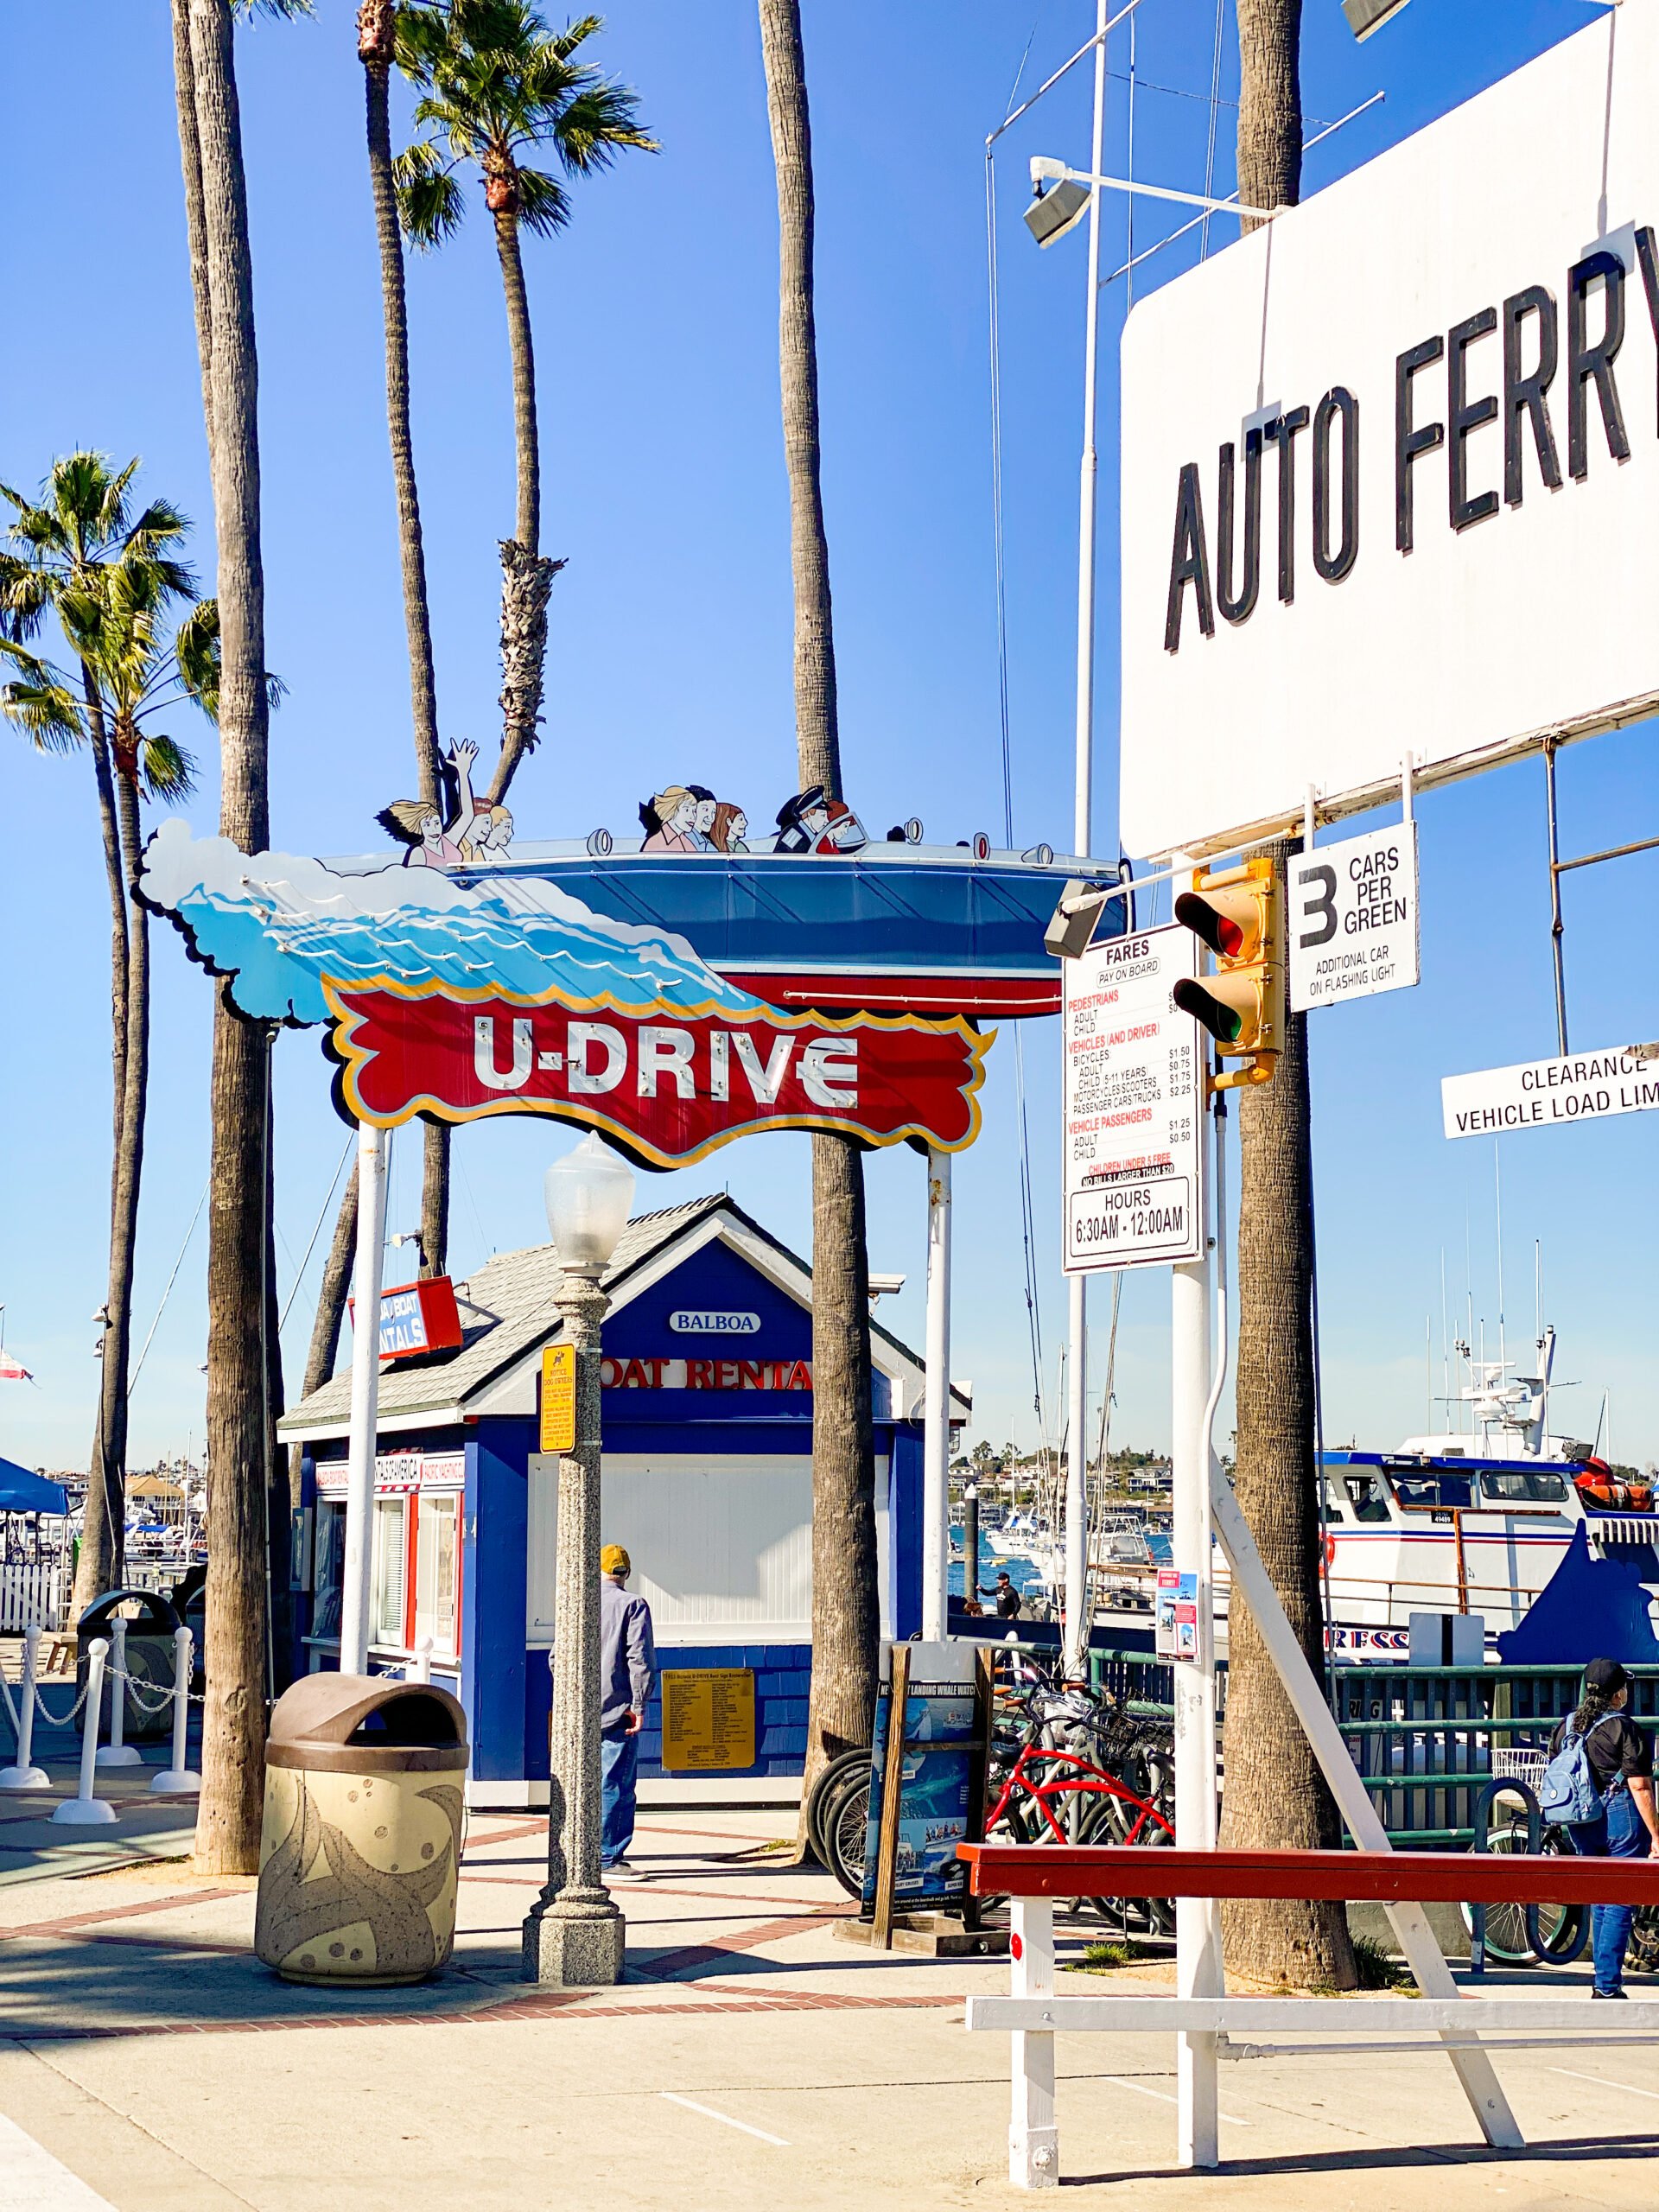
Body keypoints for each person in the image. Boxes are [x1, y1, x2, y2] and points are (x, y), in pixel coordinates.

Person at [1548, 1656, 1659, 1998]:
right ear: (1617, 1694)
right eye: (1623, 1687)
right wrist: (1657, 1834)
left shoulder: (1567, 1726)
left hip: (1580, 1818)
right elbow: (1640, 1786)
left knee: (1600, 1895)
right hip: (1619, 1815)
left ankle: (1603, 1977)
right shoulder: (1623, 1727)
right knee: (1620, 1897)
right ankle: (1607, 1985)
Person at [598, 1542, 656, 1874]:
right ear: (626, 1573)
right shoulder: (633, 1605)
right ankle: (608, 1856)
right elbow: (639, 1659)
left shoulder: (578, 1602)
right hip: (617, 1709)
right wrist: (639, 1703)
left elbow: (554, 1657)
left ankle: (576, 1854)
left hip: (579, 1710)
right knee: (616, 1784)